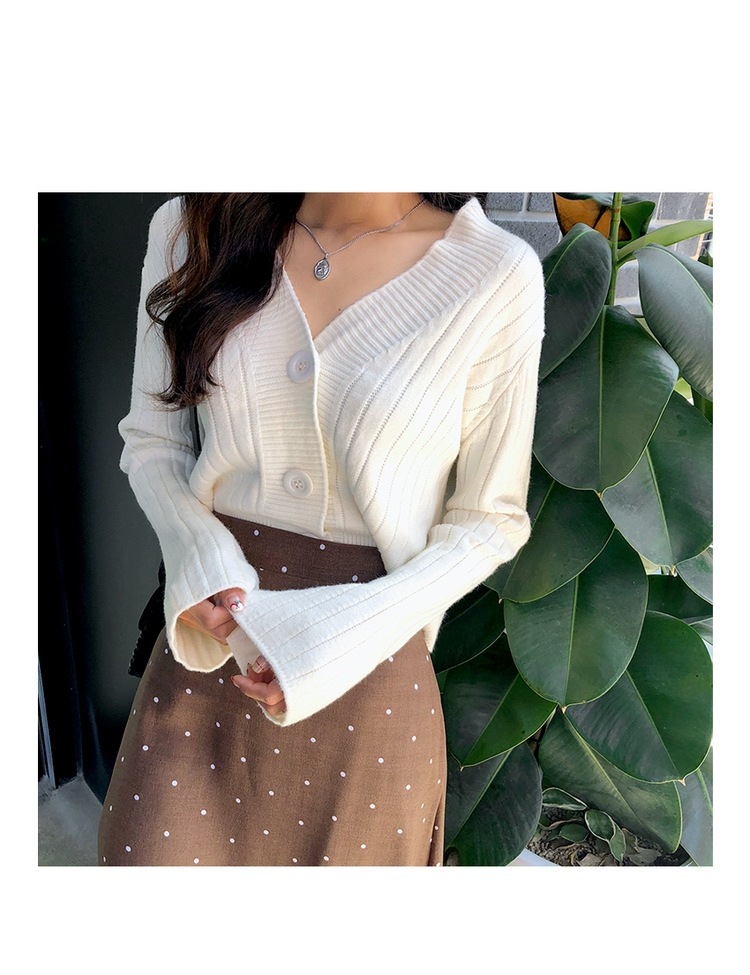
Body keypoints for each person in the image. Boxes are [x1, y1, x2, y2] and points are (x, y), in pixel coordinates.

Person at [97, 192, 545, 867]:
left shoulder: (493, 274)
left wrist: (338, 636)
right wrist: (200, 552)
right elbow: (153, 440)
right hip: (213, 645)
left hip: (371, 676)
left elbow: (490, 518)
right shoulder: (193, 228)